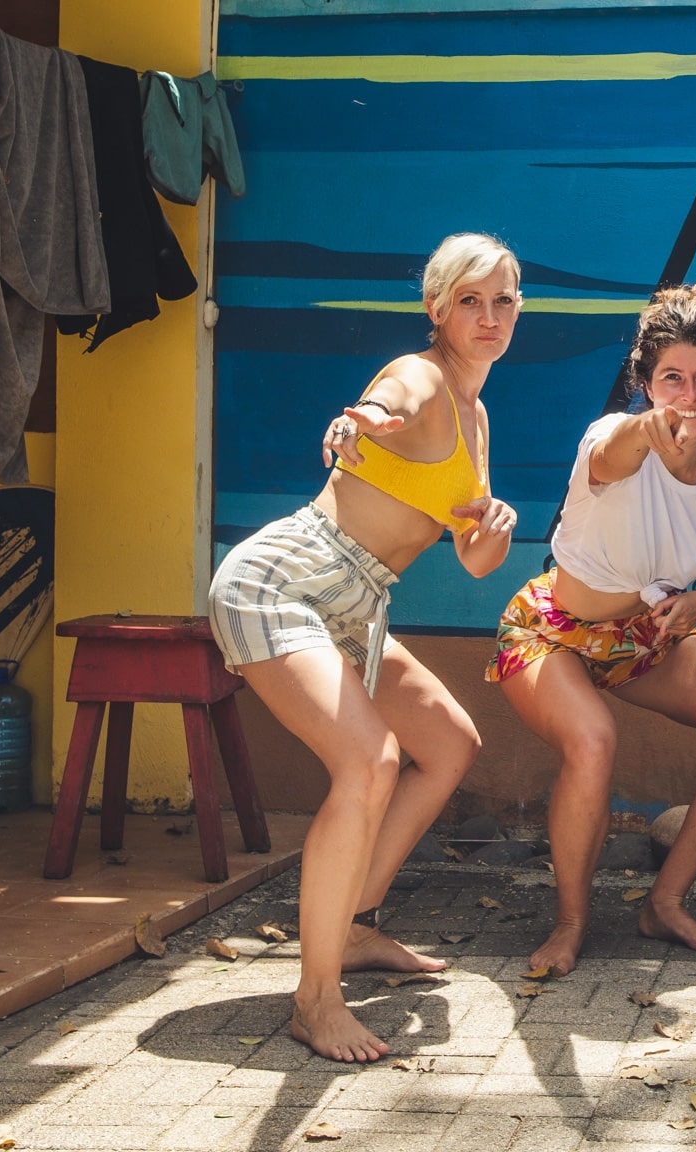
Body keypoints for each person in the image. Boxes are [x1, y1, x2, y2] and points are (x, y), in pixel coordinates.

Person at [207, 233, 522, 1063]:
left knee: (447, 745)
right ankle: (315, 1000)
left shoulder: (477, 414)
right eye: (470, 301)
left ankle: (353, 926)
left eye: (504, 301)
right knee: (370, 761)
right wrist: (361, 423)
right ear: (436, 308)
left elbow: (473, 560)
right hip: (284, 582)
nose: (489, 317)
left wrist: (495, 527)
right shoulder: (417, 377)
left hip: (357, 603)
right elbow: (379, 408)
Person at [488, 285, 696, 977]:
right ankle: (570, 923)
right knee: (593, 739)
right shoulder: (610, 437)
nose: (689, 393)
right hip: (553, 632)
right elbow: (625, 446)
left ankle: (665, 902)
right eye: (672, 379)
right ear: (645, 385)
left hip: (645, 636)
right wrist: (655, 432)